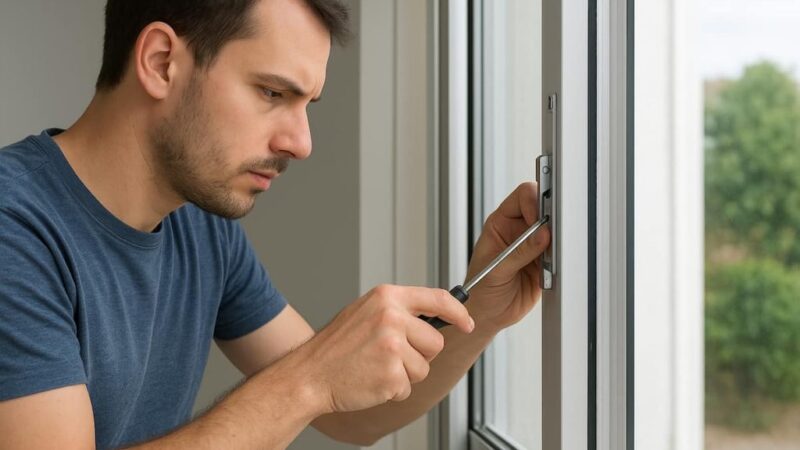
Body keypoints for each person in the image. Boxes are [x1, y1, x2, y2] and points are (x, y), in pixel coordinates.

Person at [0, 0, 551, 448]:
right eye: (272, 93)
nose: (302, 143)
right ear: (162, 61)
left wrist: (480, 310)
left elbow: (349, 416)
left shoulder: (198, 227)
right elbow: (316, 387)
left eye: (307, 103)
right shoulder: (14, 228)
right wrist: (310, 376)